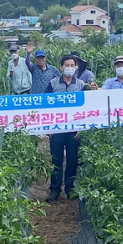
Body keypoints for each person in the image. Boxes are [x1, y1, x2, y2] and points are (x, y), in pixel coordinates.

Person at [44, 55, 86, 202]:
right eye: (66, 65)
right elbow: (45, 106)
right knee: (56, 159)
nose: (69, 68)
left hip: (74, 128)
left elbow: (87, 108)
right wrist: (48, 126)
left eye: (72, 65)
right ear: (61, 67)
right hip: (57, 128)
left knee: (72, 159)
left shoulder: (81, 85)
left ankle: (70, 188)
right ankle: (55, 189)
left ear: (76, 67)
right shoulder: (53, 84)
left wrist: (82, 128)